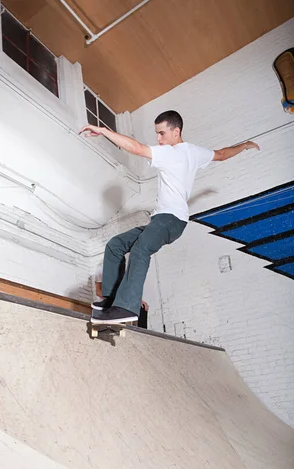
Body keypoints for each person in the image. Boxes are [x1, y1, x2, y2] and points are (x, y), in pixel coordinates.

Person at [80, 110, 259, 324]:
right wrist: (245, 145)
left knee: (140, 249)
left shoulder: (170, 153)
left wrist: (102, 130)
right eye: (156, 134)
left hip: (170, 219)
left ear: (176, 132)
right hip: (162, 220)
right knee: (115, 244)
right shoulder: (194, 152)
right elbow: (221, 154)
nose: (158, 139)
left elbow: (136, 148)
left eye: (162, 133)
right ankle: (111, 299)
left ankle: (126, 307)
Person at [94, 262, 149, 328]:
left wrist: (138, 300)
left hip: (121, 300)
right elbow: (98, 292)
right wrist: (115, 298)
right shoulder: (100, 268)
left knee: (142, 306)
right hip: (108, 301)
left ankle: (141, 333)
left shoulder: (121, 268)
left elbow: (126, 289)